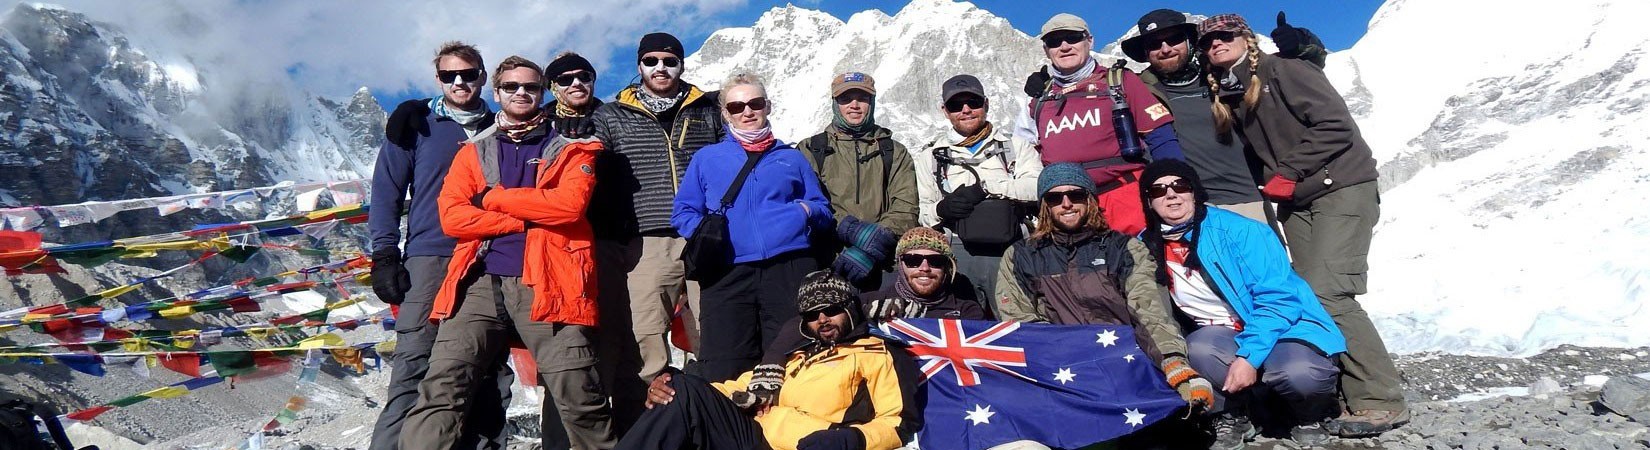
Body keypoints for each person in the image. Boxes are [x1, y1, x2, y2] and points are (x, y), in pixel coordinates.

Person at [1200, 14, 1408, 437]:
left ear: (1245, 38)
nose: (1216, 44)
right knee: (1306, 293)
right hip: (1296, 198)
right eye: (1208, 41)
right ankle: (1341, 393)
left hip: (1342, 186)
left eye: (1225, 36)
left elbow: (1336, 126)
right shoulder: (1230, 89)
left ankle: (1379, 399)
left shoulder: (1286, 70)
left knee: (1331, 290)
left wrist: (1289, 170)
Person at [399, 55, 615, 449]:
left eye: (530, 87)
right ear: (496, 92)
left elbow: (568, 207)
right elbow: (453, 218)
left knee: (579, 393)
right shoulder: (472, 151)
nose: (521, 93)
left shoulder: (573, 148)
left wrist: (493, 199)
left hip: (551, 281)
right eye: (511, 87)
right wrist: (525, 217)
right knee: (442, 388)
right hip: (478, 281)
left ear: (542, 92)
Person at [1139, 159, 1346, 448]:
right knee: (1196, 348)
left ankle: (1307, 412)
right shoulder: (1144, 246)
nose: (1170, 194)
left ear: (1194, 192)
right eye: (1158, 190)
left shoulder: (1242, 231)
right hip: (1223, 334)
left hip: (1287, 328)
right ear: (1149, 202)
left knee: (1299, 374)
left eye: (1180, 186)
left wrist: (1249, 357)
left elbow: (1278, 299)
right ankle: (1234, 413)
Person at [367, 41, 513, 450]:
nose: (460, 82)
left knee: (488, 370)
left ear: (483, 77)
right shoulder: (416, 124)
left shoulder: (506, 122)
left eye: (468, 74)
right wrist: (384, 253)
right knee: (415, 364)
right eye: (450, 76)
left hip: (492, 256)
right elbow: (386, 194)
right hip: (432, 256)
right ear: (438, 80)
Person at [588, 31, 727, 432]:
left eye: (669, 61)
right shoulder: (613, 114)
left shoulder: (708, 109)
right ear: (639, 66)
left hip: (705, 234)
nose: (660, 68)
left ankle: (709, 413)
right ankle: (650, 421)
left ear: (682, 64)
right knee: (645, 331)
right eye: (651, 61)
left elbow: (731, 160)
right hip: (645, 238)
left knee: (711, 325)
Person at [615, 271, 921, 450]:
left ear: (851, 308)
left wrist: (850, 439)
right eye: (813, 315)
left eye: (831, 309)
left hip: (810, 444)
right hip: (758, 436)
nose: (823, 319)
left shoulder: (877, 353)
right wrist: (671, 385)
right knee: (680, 388)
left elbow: (899, 423)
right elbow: (735, 387)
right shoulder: (797, 355)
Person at [995, 163, 1213, 410]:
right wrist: (1069, 357)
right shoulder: (1021, 256)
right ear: (1045, 205)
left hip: (1125, 359)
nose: (1066, 203)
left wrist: (1172, 360)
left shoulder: (1124, 248)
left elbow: (1149, 310)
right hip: (1066, 370)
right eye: (1055, 198)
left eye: (1076, 195)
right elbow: (1021, 324)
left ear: (1090, 200)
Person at [672, 72, 832, 382]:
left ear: (767, 106)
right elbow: (683, 211)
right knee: (724, 365)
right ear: (724, 113)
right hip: (727, 271)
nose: (747, 111)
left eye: (755, 103)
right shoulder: (707, 158)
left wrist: (802, 211)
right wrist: (710, 236)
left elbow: (822, 210)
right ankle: (732, 428)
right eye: (736, 106)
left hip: (789, 267)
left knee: (793, 359)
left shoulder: (791, 158)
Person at [1014, 13, 1185, 237]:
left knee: (1140, 267)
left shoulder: (1120, 81)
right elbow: (1025, 158)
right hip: (1067, 208)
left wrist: (1180, 189)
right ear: (1046, 50)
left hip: (1126, 199)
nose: (1064, 46)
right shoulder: (1037, 100)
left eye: (1073, 38)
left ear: (1090, 41)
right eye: (1055, 42)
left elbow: (1162, 139)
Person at [1117, 10, 1268, 223]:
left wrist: (1306, 50)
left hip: (1248, 200)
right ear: (1145, 52)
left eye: (1174, 39)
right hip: (1185, 207)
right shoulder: (1137, 92)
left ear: (1190, 41)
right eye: (1154, 44)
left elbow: (1276, 85)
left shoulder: (1223, 75)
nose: (1165, 49)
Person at [914, 74, 1041, 315]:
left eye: (973, 102)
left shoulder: (1016, 147)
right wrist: (941, 210)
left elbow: (1036, 188)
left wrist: (987, 187)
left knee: (1016, 323)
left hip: (1013, 251)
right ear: (944, 111)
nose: (966, 110)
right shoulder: (930, 157)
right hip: (959, 253)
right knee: (965, 329)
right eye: (955, 105)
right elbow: (922, 213)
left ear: (986, 104)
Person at [795, 72, 918, 289]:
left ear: (872, 102)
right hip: (827, 262)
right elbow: (806, 204)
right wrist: (847, 229)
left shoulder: (894, 151)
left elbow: (906, 208)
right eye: (845, 99)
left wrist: (874, 244)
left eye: (862, 98)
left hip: (884, 263)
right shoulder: (810, 150)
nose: (854, 105)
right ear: (835, 104)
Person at [544, 52, 601, 139]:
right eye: (565, 79)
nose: (577, 83)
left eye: (584, 76)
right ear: (553, 88)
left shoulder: (614, 118)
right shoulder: (540, 127)